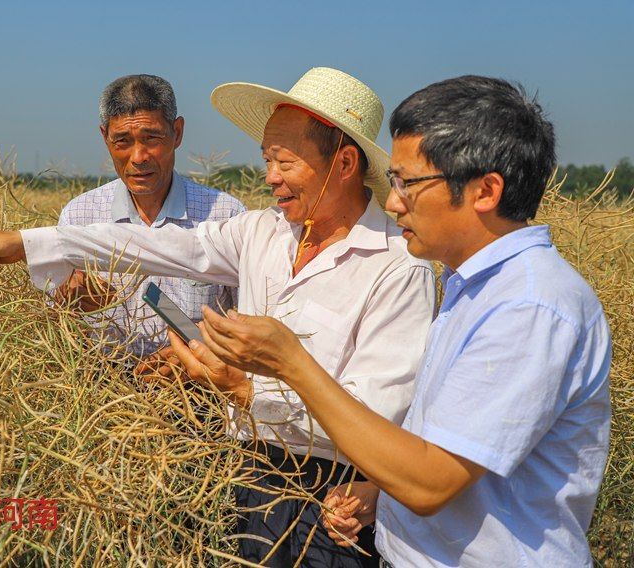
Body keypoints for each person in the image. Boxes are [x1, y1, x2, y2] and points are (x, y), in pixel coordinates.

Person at [0, 67, 436, 566]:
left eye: (284, 162)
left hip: (329, 499)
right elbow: (160, 246)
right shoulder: (261, 232)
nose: (270, 178)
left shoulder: (398, 267)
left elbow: (378, 419)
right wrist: (24, 243)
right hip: (241, 474)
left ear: (344, 163)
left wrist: (243, 389)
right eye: (266, 160)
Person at [189, 76, 612, 567]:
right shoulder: (471, 288)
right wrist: (377, 493)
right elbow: (443, 451)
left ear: (485, 190)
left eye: (407, 183)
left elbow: (430, 482)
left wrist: (290, 363)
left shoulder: (529, 306)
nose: (391, 202)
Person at [55, 74, 245, 358]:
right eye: (122, 141)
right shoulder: (79, 217)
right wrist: (69, 304)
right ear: (104, 137)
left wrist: (196, 355)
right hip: (103, 386)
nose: (139, 157)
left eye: (152, 138)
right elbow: (59, 328)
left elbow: (249, 324)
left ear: (177, 132)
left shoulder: (226, 215)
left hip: (201, 393)